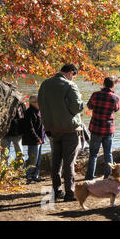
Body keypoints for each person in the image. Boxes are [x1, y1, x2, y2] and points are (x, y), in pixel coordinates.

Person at [38, 63, 84, 202]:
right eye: (74, 76)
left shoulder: (45, 84)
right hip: (69, 129)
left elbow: (41, 104)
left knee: (56, 160)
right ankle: (69, 193)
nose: (73, 79)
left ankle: (57, 191)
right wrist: (82, 103)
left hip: (52, 129)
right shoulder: (70, 86)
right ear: (71, 72)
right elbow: (76, 107)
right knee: (69, 161)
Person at [85, 76, 120, 180]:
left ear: (103, 84)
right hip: (108, 129)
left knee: (93, 154)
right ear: (113, 85)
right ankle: (108, 176)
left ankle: (90, 176)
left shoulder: (95, 95)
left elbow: (89, 106)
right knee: (108, 153)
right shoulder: (115, 97)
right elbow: (117, 109)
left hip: (96, 128)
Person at [22, 95, 45, 184]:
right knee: (33, 159)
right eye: (38, 102)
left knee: (38, 159)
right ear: (33, 103)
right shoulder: (29, 113)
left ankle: (36, 176)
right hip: (33, 140)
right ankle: (28, 176)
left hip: (40, 139)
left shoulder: (39, 112)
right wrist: (37, 139)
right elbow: (29, 128)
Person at [0, 98, 26, 164]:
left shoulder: (20, 104)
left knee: (20, 152)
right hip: (5, 133)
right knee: (4, 154)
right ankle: (4, 171)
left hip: (17, 132)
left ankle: (20, 168)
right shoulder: (2, 102)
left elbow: (24, 116)